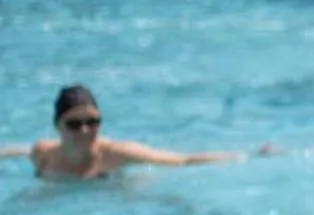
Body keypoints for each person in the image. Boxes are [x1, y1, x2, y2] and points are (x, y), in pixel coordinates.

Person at [1, 86, 260, 180]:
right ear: (57, 126)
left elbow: (182, 160)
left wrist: (247, 155)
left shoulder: (115, 154)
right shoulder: (43, 154)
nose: (85, 130)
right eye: (74, 124)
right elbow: (18, 151)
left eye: (93, 121)